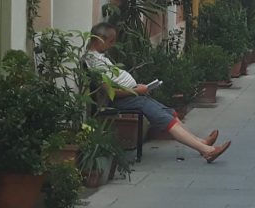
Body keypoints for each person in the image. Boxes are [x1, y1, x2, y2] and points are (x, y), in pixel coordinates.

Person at [84, 23, 231, 163]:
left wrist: (138, 89)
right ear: (99, 40)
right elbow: (111, 92)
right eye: (110, 41)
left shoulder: (99, 56)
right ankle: (207, 150)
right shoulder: (93, 61)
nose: (112, 45)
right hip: (127, 99)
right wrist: (136, 90)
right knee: (164, 119)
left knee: (169, 113)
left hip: (134, 96)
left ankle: (201, 142)